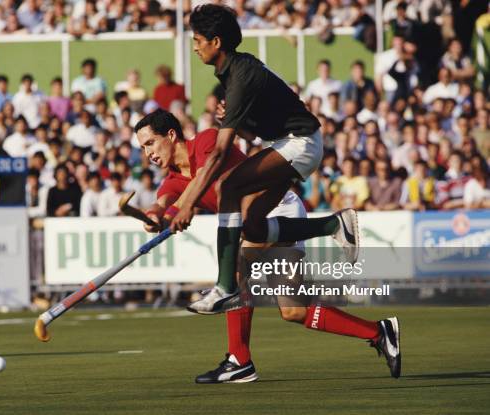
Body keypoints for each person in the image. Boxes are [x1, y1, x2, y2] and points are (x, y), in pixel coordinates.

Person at [135, 109, 402, 382]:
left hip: (276, 207)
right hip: (259, 220)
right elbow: (164, 202)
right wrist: (155, 216)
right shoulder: (171, 180)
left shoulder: (206, 140)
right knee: (294, 310)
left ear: (170, 135)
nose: (148, 153)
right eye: (143, 148)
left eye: (150, 143)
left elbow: (204, 178)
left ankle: (239, 361)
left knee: (236, 271)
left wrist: (180, 207)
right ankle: (379, 332)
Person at [169, 4, 359, 316]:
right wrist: (239, 123)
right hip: (289, 143)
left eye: (198, 39)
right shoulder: (233, 73)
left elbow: (218, 153)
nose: (195, 46)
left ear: (216, 42)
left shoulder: (240, 75)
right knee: (253, 227)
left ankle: (225, 286)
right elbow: (255, 130)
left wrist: (188, 203)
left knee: (228, 186)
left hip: (300, 144)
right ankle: (332, 225)